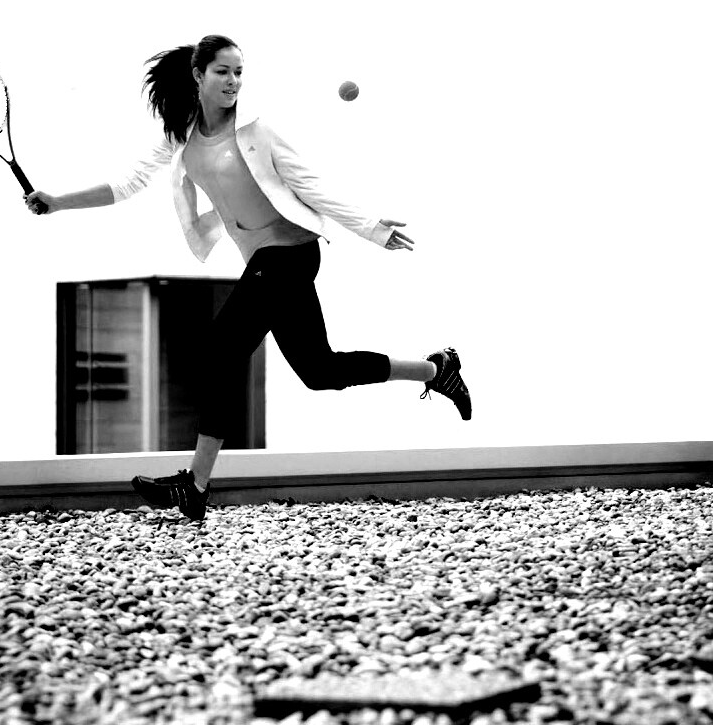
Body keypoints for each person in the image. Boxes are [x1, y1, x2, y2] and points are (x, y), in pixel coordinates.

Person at [26, 35, 471, 522]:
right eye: (222, 71)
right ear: (198, 75)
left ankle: (195, 484)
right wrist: (58, 201)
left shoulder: (258, 130)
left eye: (239, 71)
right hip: (263, 260)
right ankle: (436, 370)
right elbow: (126, 184)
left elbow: (310, 186)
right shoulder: (181, 135)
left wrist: (370, 227)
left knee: (221, 347)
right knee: (319, 371)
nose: (233, 81)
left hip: (291, 254)